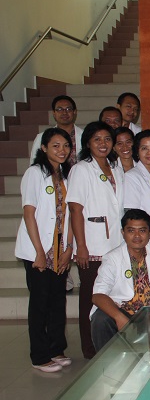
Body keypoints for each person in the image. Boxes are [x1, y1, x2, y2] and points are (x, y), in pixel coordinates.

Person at [16, 128, 74, 372]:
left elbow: (70, 215)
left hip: (60, 248)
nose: (62, 150)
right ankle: (39, 356)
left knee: (57, 301)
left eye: (66, 146)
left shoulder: (66, 174)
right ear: (43, 148)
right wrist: (39, 252)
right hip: (39, 247)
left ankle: (56, 349)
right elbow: (29, 213)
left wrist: (68, 248)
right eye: (55, 146)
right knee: (40, 303)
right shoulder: (34, 173)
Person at [67, 122, 125, 359]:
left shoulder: (116, 167)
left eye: (107, 139)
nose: (103, 144)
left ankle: (109, 343)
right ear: (87, 143)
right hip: (92, 245)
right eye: (97, 139)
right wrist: (81, 246)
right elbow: (75, 209)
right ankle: (90, 349)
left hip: (116, 243)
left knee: (112, 295)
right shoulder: (81, 169)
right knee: (90, 298)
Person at [90, 210, 150, 351]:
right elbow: (98, 295)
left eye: (142, 230)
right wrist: (119, 317)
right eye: (131, 231)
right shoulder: (112, 258)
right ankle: (106, 361)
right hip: (124, 311)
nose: (137, 236)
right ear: (123, 233)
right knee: (101, 319)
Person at [29, 95, 83, 166]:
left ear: (74, 112)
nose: (64, 113)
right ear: (54, 113)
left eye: (68, 109)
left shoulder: (85, 135)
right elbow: (34, 163)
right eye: (59, 109)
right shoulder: (41, 137)